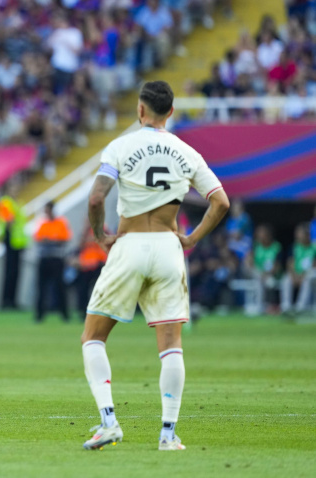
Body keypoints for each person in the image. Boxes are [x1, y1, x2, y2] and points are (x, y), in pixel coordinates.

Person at [80, 81, 229, 451]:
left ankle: (109, 422)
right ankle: (167, 434)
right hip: (167, 246)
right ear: (171, 112)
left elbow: (97, 197)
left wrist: (100, 236)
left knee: (93, 337)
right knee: (170, 345)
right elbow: (221, 202)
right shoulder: (186, 151)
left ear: (140, 110)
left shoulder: (121, 146)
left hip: (129, 244)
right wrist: (192, 238)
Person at [34, 201, 72, 322]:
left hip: (56, 259)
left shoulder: (61, 222)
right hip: (44, 259)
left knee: (60, 287)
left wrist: (50, 239)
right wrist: (52, 239)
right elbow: (38, 238)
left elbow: (64, 238)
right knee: (41, 288)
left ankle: (64, 314)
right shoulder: (42, 223)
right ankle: (39, 315)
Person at [0, 183, 27, 310]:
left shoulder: (16, 202)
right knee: (9, 272)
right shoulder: (5, 202)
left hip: (18, 241)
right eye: (13, 187)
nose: (15, 190)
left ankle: (13, 300)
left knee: (15, 273)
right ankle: (6, 301)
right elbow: (9, 220)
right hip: (10, 239)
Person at [280, 224, 315, 315]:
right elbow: (290, 263)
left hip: (309, 274)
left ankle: (301, 307)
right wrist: (294, 276)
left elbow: (314, 264)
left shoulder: (314, 247)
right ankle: (286, 306)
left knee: (308, 278)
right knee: (286, 279)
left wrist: (303, 276)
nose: (297, 236)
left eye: (300, 233)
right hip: (296, 274)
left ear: (307, 235)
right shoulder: (294, 247)